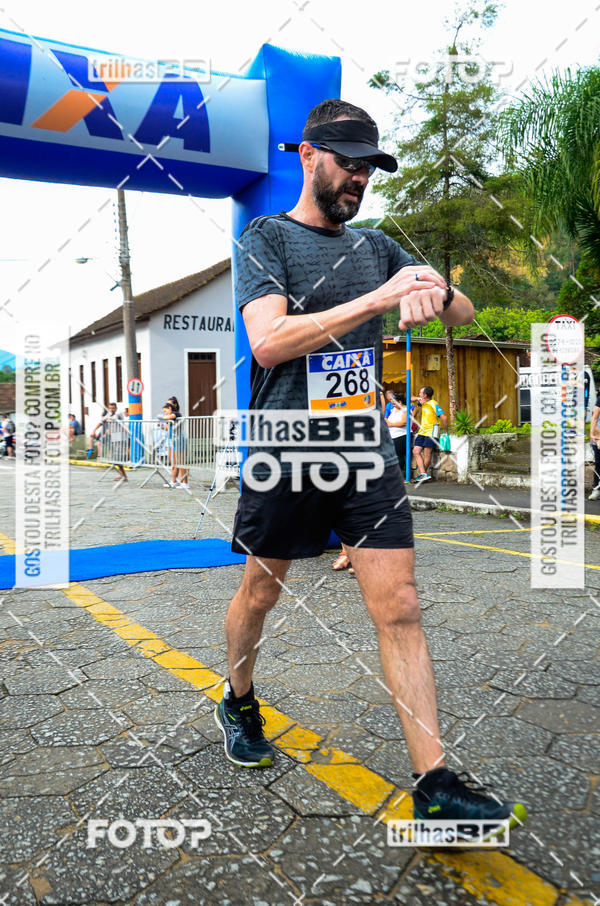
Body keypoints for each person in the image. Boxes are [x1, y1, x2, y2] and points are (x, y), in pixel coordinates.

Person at [214, 98, 527, 830]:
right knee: (260, 597)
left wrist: (435, 291)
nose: (357, 177)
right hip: (289, 447)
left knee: (402, 604)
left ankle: (435, 784)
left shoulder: (382, 245)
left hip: (362, 448)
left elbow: (466, 314)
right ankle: (238, 698)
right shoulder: (265, 239)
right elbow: (268, 342)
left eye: (368, 166)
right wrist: (379, 298)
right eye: (347, 161)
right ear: (308, 155)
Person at [411, 386, 447, 481]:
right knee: (415, 451)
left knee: (427, 453)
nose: (419, 394)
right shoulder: (423, 403)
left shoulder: (433, 403)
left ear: (425, 395)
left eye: (420, 393)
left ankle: (422, 475)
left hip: (432, 431)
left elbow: (444, 417)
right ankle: (423, 474)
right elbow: (410, 398)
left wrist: (446, 431)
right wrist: (419, 399)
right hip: (422, 431)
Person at [89, 403, 127, 482]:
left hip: (120, 436)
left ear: (116, 408)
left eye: (113, 408)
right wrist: (94, 430)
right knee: (116, 458)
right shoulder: (109, 413)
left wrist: (108, 419)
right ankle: (122, 475)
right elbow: (101, 421)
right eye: (110, 408)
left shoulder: (118, 413)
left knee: (118, 457)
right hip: (114, 437)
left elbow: (114, 419)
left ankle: (124, 476)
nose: (111, 409)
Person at [162, 401, 189, 490]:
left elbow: (167, 417)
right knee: (174, 462)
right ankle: (174, 481)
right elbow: (167, 426)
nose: (164, 413)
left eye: (165, 411)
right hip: (172, 440)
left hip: (178, 439)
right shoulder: (171, 416)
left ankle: (185, 483)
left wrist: (162, 417)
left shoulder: (176, 413)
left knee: (180, 461)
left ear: (170, 408)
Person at [386, 392, 410, 474]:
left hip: (401, 435)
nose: (393, 405)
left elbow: (403, 422)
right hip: (392, 435)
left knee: (398, 455)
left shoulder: (406, 410)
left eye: (394, 404)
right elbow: (387, 419)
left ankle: (398, 474)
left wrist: (391, 424)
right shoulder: (394, 410)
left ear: (400, 402)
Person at [590, 392, 600, 500]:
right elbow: (595, 417)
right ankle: (597, 490)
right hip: (599, 436)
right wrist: (592, 433)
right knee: (599, 464)